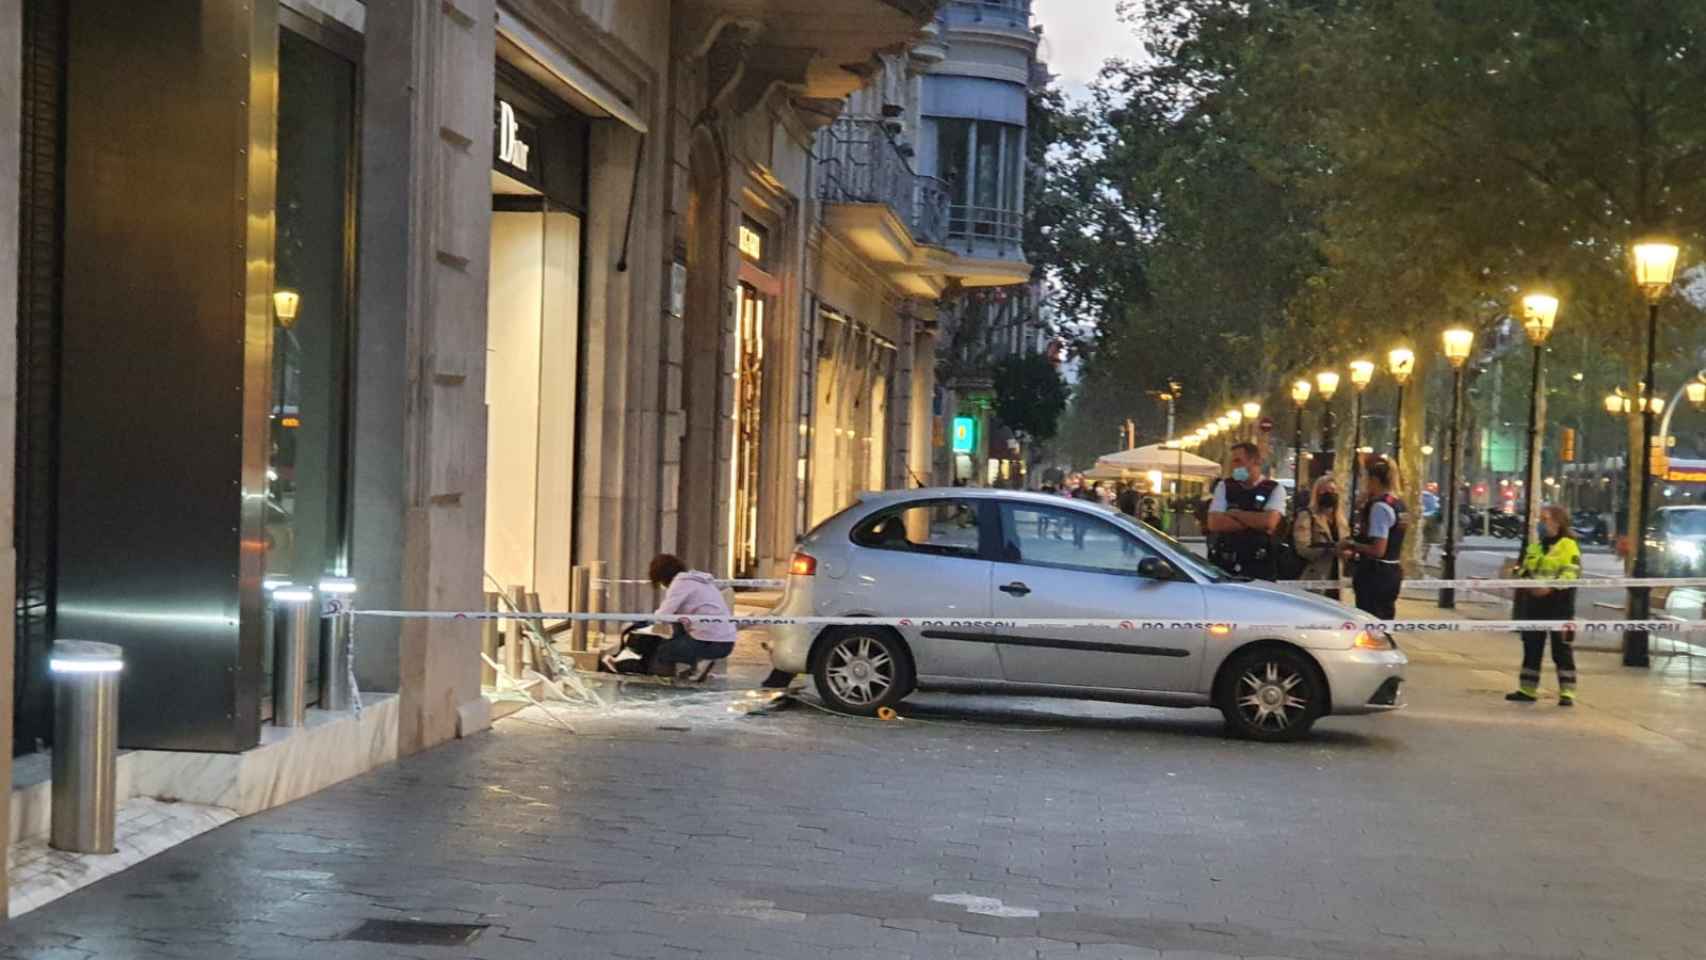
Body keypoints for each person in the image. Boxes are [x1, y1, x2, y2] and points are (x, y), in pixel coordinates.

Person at [1507, 504, 1582, 706]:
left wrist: (1550, 588)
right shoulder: (1536, 546)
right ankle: (1527, 690)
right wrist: (1524, 581)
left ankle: (1567, 693)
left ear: (1557, 521)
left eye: (1544, 519)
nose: (1541, 523)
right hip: (1534, 604)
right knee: (1532, 647)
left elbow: (1571, 573)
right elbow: (1523, 570)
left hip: (1559, 605)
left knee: (1561, 650)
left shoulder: (1568, 545)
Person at [648, 553, 736, 682]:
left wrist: (648, 619)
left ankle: (697, 662)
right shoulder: (698, 580)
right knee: (678, 624)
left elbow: (663, 615)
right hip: (726, 641)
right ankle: (697, 665)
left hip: (710, 641)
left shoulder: (680, 583)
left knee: (664, 651)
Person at [1339, 459, 1406, 619]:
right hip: (1392, 570)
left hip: (1375, 574)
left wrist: (1352, 544)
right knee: (1384, 619)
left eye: (1365, 478)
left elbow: (1378, 549)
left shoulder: (1379, 508)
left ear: (1374, 480)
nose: (1363, 483)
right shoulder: (1398, 504)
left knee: (1371, 620)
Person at [1207, 442, 1285, 579]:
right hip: (1226, 565)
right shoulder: (1225, 486)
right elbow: (1214, 523)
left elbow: (1269, 522)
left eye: (1238, 461)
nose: (1234, 466)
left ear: (1255, 461)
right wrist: (1256, 522)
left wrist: (1234, 513)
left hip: (1260, 566)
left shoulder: (1274, 489)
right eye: (1232, 462)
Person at [1293, 475, 1345, 599]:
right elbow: (1303, 548)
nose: (1329, 494)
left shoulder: (1341, 520)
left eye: (1333, 491)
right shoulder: (1307, 516)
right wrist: (1329, 549)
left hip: (1337, 578)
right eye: (1325, 491)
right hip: (1314, 576)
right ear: (1317, 493)